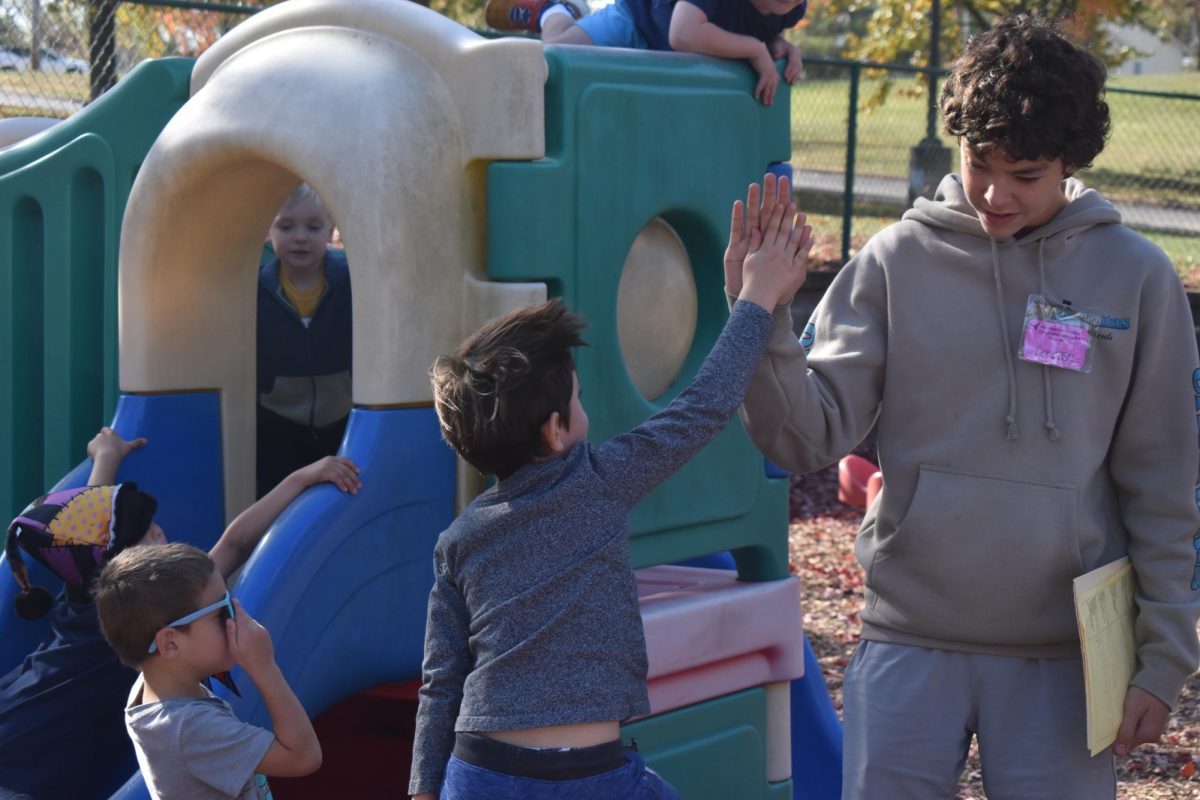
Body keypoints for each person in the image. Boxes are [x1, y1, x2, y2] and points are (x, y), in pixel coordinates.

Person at [726, 16, 1200, 799]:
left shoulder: (1138, 278)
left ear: (1071, 162)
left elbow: (1164, 480)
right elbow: (801, 437)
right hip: (908, 641)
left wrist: (1164, 654)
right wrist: (761, 318)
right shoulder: (892, 263)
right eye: (980, 163)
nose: (994, 193)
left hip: (1067, 657)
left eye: (1026, 173)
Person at [408, 198, 812, 799]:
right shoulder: (596, 482)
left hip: (481, 774)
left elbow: (442, 680)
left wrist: (422, 789)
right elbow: (704, 406)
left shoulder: (458, 541)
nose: (583, 408)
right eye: (576, 398)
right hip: (589, 776)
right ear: (554, 429)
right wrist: (756, 298)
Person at [0, 428, 360, 800]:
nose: (160, 536)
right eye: (149, 539)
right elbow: (234, 546)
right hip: (20, 763)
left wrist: (107, 456)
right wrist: (264, 666)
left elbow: (88, 525)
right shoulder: (146, 625)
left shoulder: (108, 602)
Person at [483, 0, 804, 107]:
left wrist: (776, 45)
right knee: (555, 55)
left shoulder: (789, 7)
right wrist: (753, 49)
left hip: (668, 54)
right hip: (639, 18)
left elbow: (765, 29)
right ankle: (553, 9)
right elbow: (684, 32)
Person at [257, 183, 353, 498]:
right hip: (277, 421)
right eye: (286, 226)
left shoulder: (351, 280)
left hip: (341, 418)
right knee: (279, 498)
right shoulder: (256, 289)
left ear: (331, 230)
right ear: (268, 231)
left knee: (337, 495)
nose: (301, 237)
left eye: (313, 227)